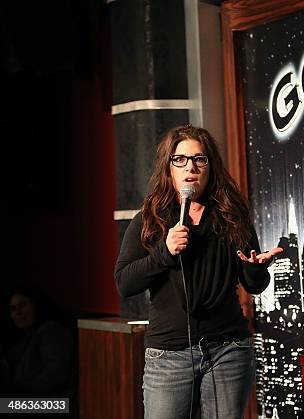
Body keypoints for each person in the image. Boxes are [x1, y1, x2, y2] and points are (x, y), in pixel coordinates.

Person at [114, 125, 281, 419]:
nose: (190, 167)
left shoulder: (232, 216)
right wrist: (164, 253)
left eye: (199, 159)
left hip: (228, 350)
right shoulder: (150, 220)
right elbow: (125, 283)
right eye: (180, 159)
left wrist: (255, 270)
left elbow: (253, 286)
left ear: (210, 166)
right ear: (169, 167)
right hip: (169, 355)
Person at [0, 288, 75, 397]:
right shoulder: (26, 338)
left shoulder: (52, 332)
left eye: (22, 305)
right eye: (13, 309)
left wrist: (16, 393)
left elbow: (55, 376)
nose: (18, 312)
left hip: (54, 404)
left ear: (36, 306)